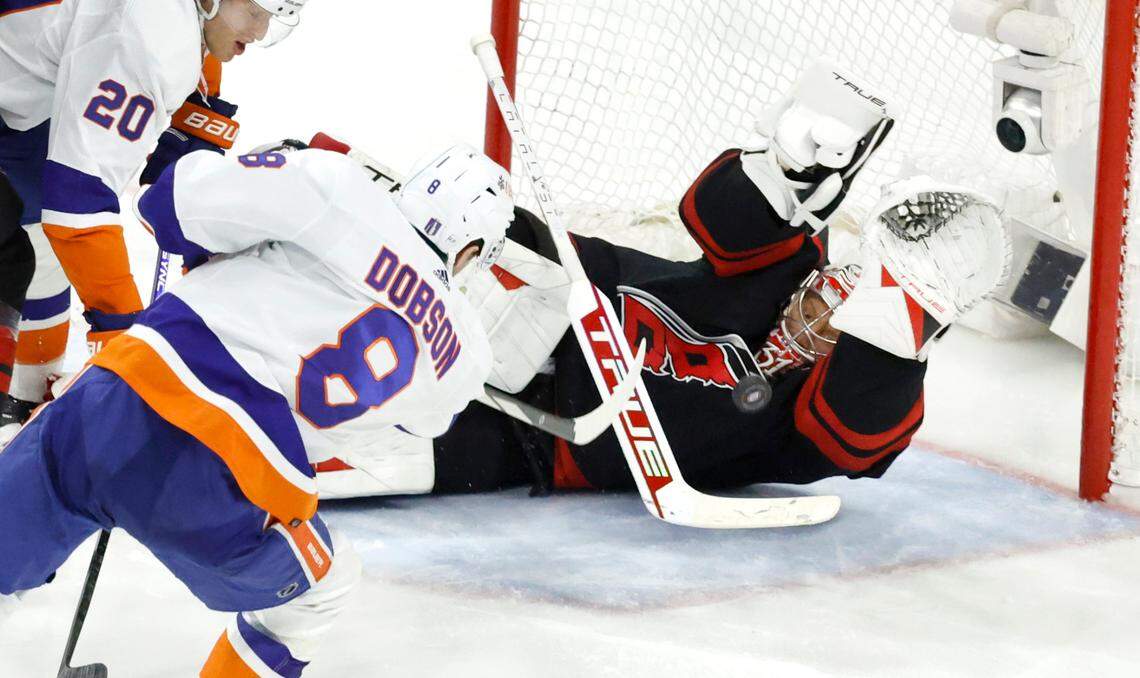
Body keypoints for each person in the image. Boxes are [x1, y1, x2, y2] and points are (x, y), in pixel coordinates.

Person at [309, 64, 1011, 502]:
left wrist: (905, 304)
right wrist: (795, 160)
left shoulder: (798, 426)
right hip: (562, 289)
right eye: (837, 288)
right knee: (424, 219)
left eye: (847, 320)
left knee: (350, 451)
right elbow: (722, 212)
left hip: (541, 440)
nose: (825, 309)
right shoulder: (787, 264)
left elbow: (861, 434)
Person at [0, 140, 512, 675]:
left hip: (121, 395)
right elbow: (425, 419)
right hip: (228, 481)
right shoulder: (465, 351)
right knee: (320, 591)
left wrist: (221, 245)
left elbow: (165, 204)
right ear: (474, 250)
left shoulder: (335, 184)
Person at [0, 0, 308, 433]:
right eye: (256, 11)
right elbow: (78, 202)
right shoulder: (149, 31)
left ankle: (22, 404)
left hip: (23, 96)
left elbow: (193, 81)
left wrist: (198, 120)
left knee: (39, 236)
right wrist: (125, 334)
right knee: (14, 255)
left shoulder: (180, 20)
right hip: (19, 92)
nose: (260, 30)